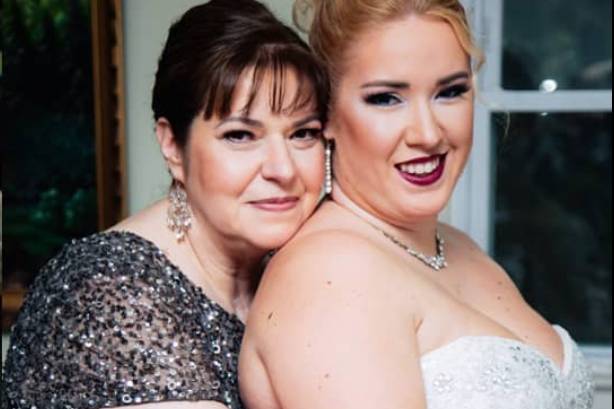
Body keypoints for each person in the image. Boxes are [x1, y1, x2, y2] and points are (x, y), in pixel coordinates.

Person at [239, 1, 594, 408]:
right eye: (387, 98)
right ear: (327, 114)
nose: (427, 134)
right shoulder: (330, 274)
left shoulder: (455, 246)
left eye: (450, 92)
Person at [1, 1, 328, 408]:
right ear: (172, 145)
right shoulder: (109, 294)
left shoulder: (302, 268)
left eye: (303, 133)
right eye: (240, 135)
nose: (283, 168)